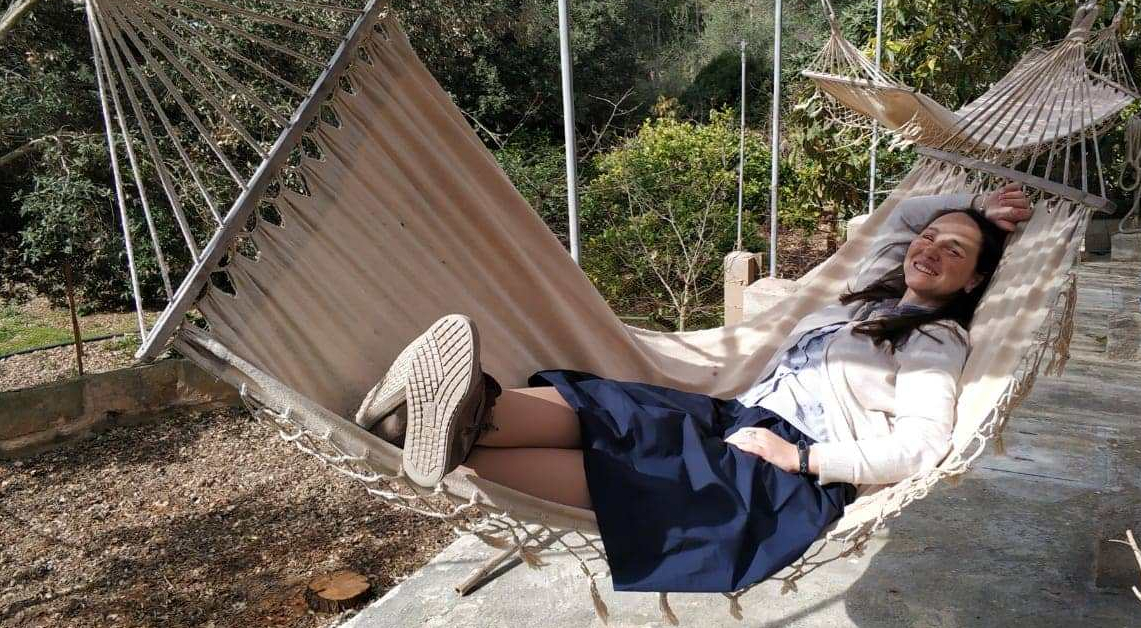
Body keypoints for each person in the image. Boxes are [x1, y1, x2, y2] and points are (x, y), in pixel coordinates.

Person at [354, 184, 1033, 593]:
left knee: (639, 470)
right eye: (931, 239)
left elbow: (923, 446)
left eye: (954, 251)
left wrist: (804, 458)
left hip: (783, 468)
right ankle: (429, 420)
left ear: (974, 281)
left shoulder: (936, 340)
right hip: (740, 414)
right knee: (620, 407)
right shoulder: (874, 294)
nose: (930, 248)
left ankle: (413, 423)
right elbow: (902, 216)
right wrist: (971, 209)